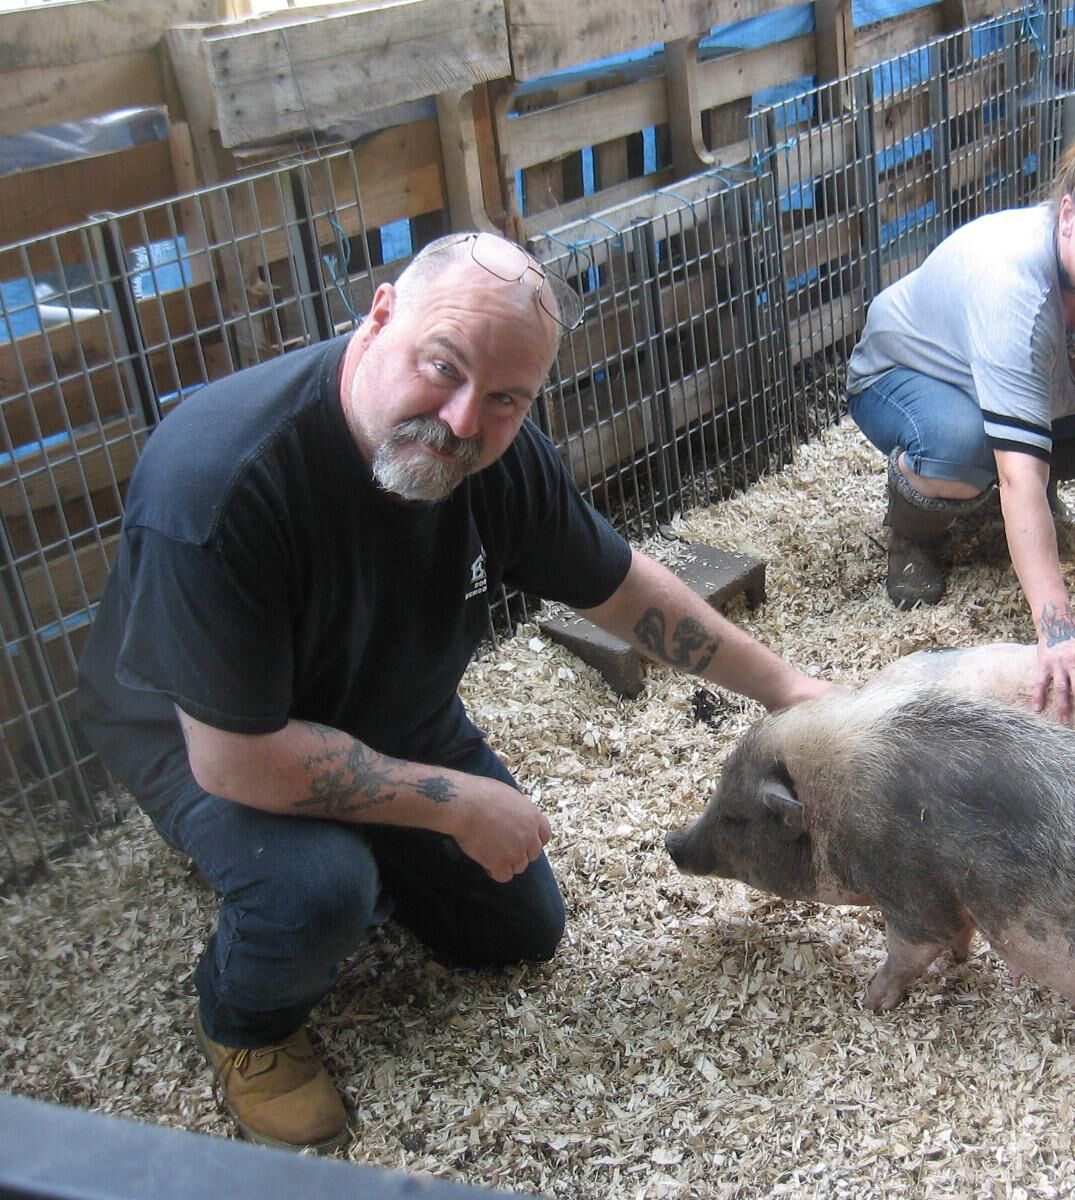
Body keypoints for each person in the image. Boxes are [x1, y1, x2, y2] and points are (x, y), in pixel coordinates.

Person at [75, 231, 831, 1153]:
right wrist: (456, 802)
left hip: (388, 703)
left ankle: (352, 845)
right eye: (444, 368)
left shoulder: (495, 454)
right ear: (380, 315)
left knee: (518, 931)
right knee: (317, 891)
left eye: (508, 399)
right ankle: (247, 1025)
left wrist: (789, 691)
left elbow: (624, 589)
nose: (465, 421)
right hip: (204, 729)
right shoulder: (221, 481)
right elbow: (234, 755)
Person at [845, 112, 1075, 725]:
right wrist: (1058, 628)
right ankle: (914, 531)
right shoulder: (1015, 289)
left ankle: (1034, 506)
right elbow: (1020, 475)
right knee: (962, 454)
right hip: (915, 377)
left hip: (1044, 390)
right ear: (1068, 214)